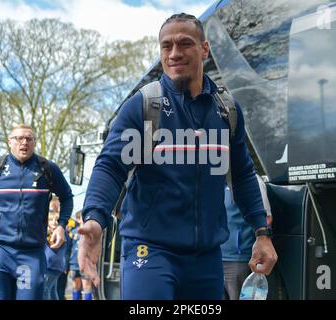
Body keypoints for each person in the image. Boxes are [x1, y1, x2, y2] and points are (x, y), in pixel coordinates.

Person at [78, 13, 277, 299]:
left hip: (207, 259)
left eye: (185, 44)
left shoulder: (226, 111)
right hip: (150, 251)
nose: (174, 53)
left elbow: (243, 175)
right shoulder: (145, 107)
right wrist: (96, 219)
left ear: (204, 49)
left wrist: (262, 233)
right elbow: (110, 167)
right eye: (166, 46)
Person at [0, 124, 73, 300]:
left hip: (31, 254)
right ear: (9, 142)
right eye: (19, 138)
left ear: (34, 143)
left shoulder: (47, 169)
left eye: (29, 138)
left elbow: (67, 197)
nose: (24, 142)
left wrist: (61, 226)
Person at [221, 175, 273, 300]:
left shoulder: (251, 180)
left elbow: (266, 218)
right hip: (216, 256)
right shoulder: (215, 180)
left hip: (239, 258)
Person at [43, 199, 67, 300]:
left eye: (56, 220)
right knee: (53, 291)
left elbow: (51, 243)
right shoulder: (53, 232)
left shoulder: (58, 233)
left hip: (52, 265)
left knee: (45, 289)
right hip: (54, 266)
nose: (54, 222)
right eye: (51, 220)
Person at [69, 211, 93, 300]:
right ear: (78, 220)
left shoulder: (91, 233)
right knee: (76, 285)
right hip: (74, 264)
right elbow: (68, 248)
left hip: (86, 264)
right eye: (82, 218)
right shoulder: (73, 233)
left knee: (87, 286)